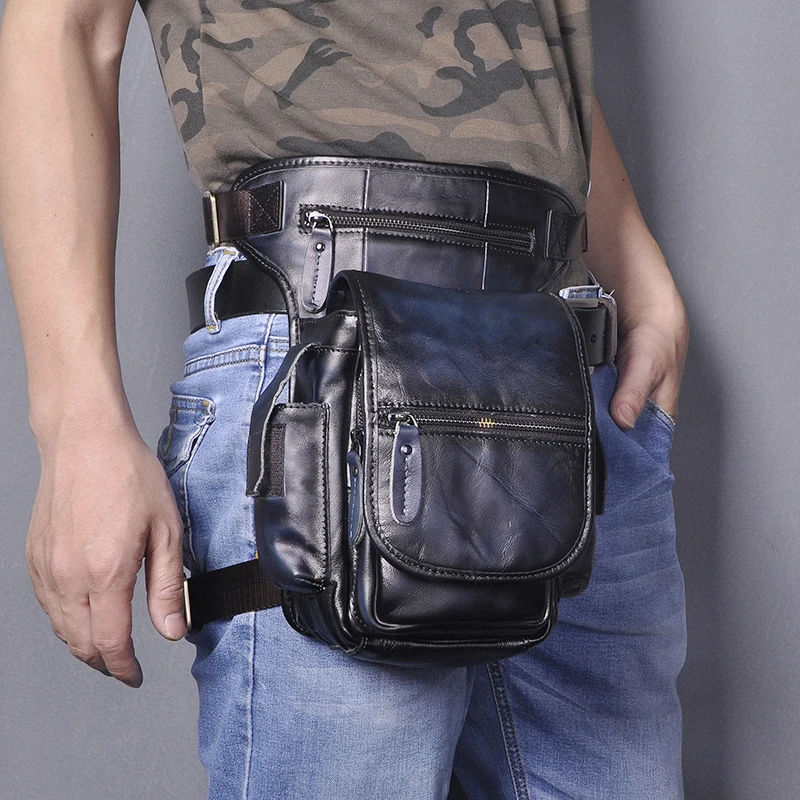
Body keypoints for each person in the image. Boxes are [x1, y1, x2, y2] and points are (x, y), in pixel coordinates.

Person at [0, 0, 689, 797]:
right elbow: (63, 23)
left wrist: (631, 259)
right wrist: (76, 425)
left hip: (559, 366)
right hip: (327, 363)